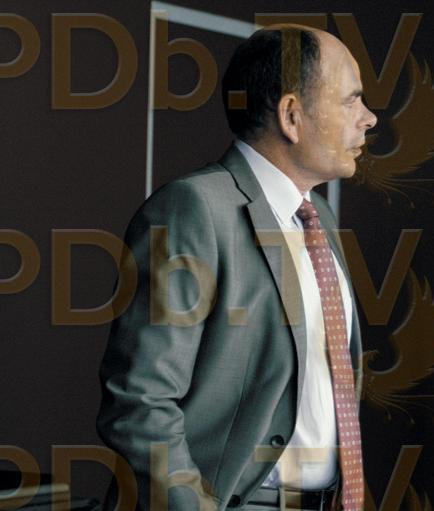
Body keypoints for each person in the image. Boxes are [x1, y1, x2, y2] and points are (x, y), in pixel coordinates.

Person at [96, 25, 377, 511]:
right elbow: (140, 402)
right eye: (351, 100)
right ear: (292, 116)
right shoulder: (193, 209)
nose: (368, 118)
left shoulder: (319, 218)